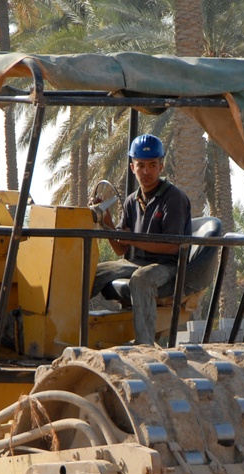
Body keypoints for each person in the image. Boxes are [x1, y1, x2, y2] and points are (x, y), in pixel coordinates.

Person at [90, 134, 192, 345]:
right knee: (90, 272)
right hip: (133, 262)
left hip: (166, 267)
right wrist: (106, 220)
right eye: (141, 165)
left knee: (141, 279)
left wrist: (132, 240)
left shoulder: (173, 198)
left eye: (152, 165)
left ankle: (145, 346)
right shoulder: (131, 201)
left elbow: (173, 247)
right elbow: (120, 249)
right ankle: (67, 330)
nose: (146, 171)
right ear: (132, 167)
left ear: (161, 166)